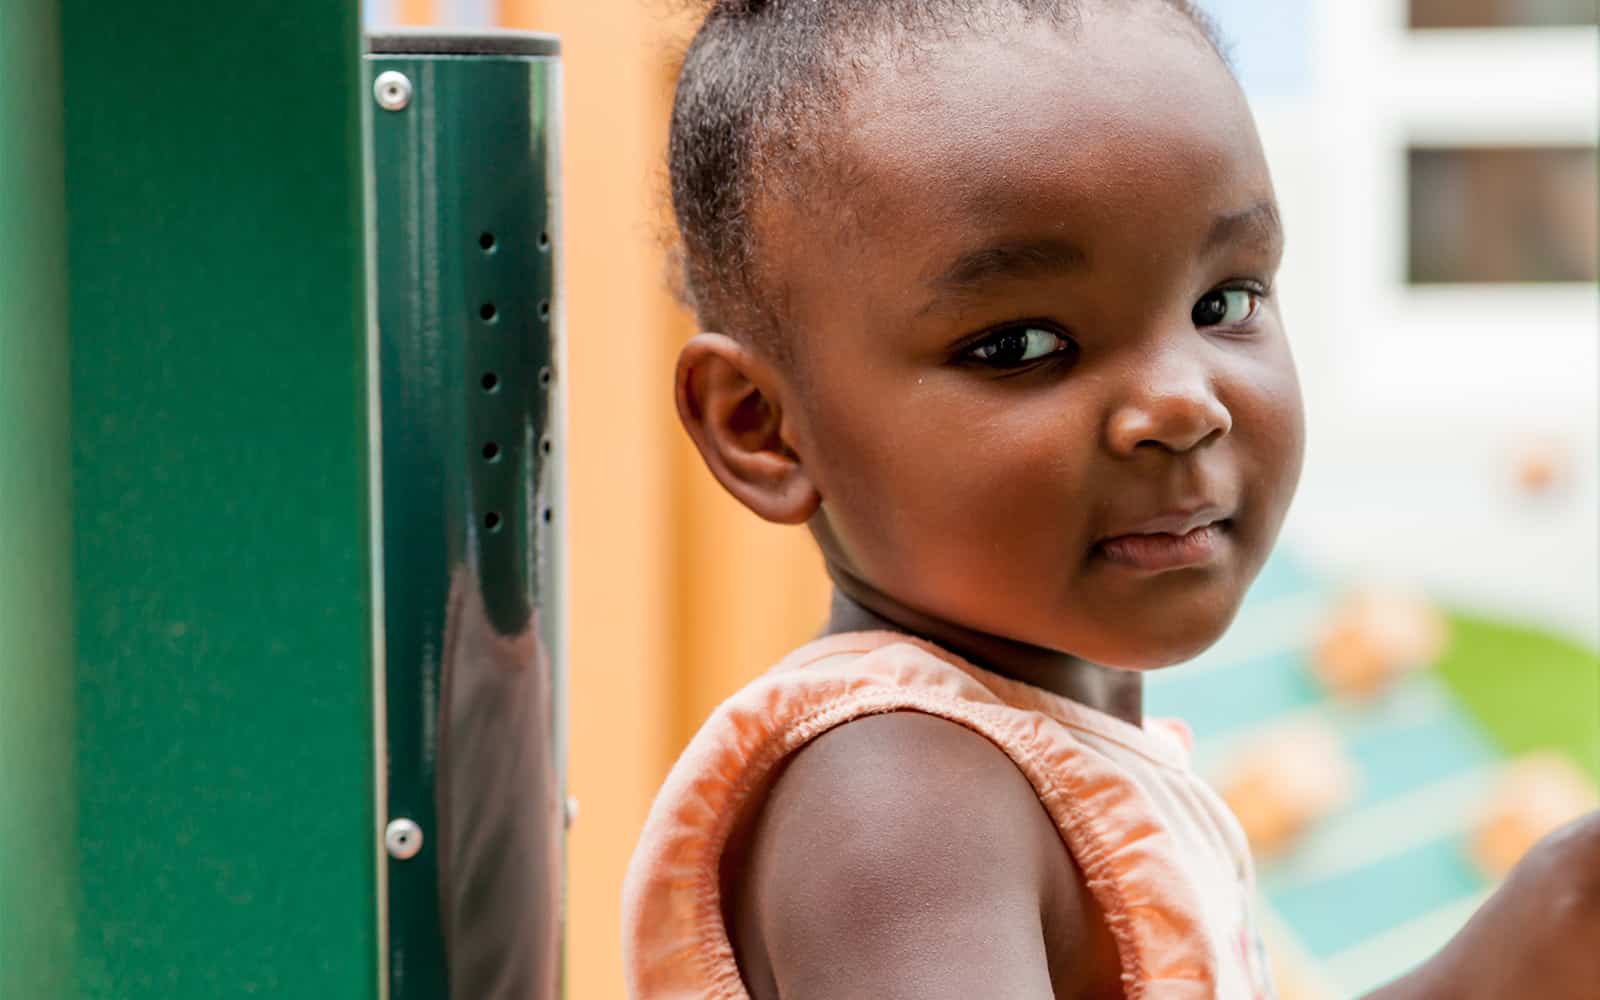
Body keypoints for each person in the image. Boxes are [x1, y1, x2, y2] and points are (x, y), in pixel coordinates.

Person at [622, 1, 1600, 996]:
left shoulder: (1026, 760)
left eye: (1222, 302)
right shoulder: (900, 800)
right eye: (1022, 346)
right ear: (762, 427)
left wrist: (1550, 923)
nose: (1182, 403)